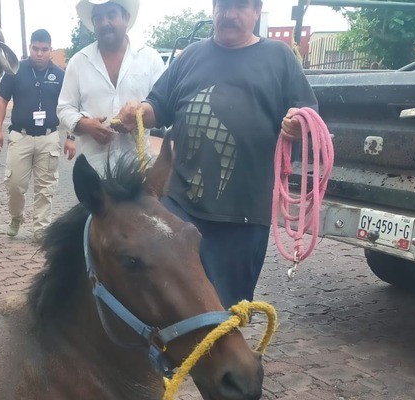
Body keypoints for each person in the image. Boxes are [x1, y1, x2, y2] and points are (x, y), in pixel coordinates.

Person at [116, 0, 315, 308]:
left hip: (243, 215)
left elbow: (307, 117)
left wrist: (297, 125)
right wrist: (138, 112)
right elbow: (158, 104)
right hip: (180, 206)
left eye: (240, 6)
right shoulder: (191, 56)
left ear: (256, 10)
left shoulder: (279, 58)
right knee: (168, 300)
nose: (229, 15)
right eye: (222, 6)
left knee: (224, 310)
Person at [58, 0, 163, 173]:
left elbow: (162, 106)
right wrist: (85, 125)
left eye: (111, 15)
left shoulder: (150, 59)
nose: (104, 22)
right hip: (93, 172)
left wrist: (139, 117)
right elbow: (64, 108)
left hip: (137, 171)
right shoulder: (78, 62)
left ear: (126, 18)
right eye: (98, 17)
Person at [0, 29, 73, 237]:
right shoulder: (14, 70)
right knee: (15, 184)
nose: (39, 53)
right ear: (29, 48)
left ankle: (41, 229)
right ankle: (17, 217)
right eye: (35, 49)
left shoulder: (60, 76)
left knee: (46, 187)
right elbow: (2, 101)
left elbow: (70, 107)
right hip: (21, 136)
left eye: (44, 49)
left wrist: (71, 137)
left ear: (51, 51)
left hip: (49, 136)